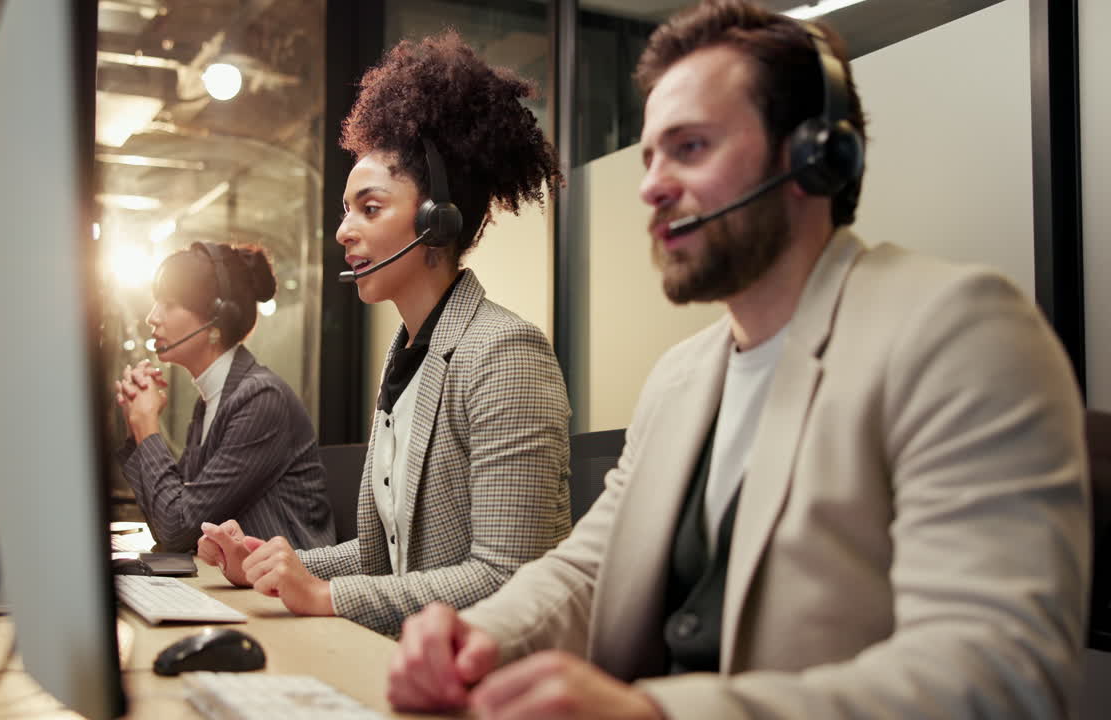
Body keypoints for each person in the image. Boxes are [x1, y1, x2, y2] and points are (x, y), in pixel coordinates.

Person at [387, 2, 1091, 718]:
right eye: (650, 153)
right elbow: (590, 567)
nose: (650, 184)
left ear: (814, 155)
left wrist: (656, 715)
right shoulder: (682, 376)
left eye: (690, 148)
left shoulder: (958, 332)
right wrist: (477, 637)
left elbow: (1002, 672)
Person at [197, 31, 573, 637]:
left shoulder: (503, 353)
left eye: (369, 209)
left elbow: (509, 576)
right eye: (347, 210)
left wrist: (326, 597)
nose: (344, 231)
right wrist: (269, 567)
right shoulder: (406, 362)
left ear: (437, 220)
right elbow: (381, 559)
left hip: (491, 678)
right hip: (409, 663)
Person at [115, 242, 334, 553]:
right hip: (239, 583)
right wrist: (135, 426)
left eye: (169, 303)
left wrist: (148, 425)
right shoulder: (209, 402)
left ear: (216, 318)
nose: (152, 317)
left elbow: (178, 528)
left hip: (281, 590)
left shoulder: (260, 398)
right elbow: (168, 520)